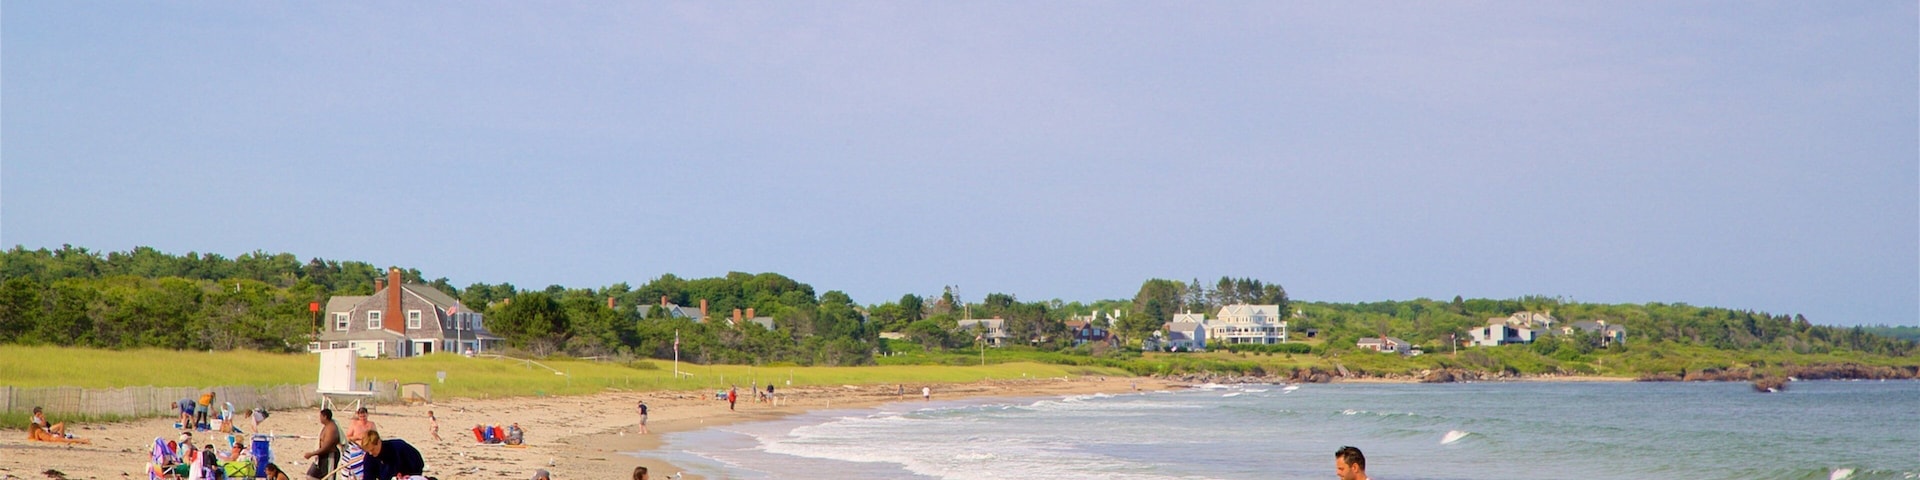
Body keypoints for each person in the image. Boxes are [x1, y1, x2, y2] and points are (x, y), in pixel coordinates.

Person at [359, 430, 426, 480]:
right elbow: (368, 477)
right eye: (368, 451)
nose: (370, 453)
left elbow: (418, 463)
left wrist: (408, 476)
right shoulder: (369, 457)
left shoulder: (399, 447)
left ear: (379, 442)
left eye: (372, 449)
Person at [301, 408, 340, 480]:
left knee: (329, 478)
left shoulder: (331, 429)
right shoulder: (326, 426)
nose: (320, 419)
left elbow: (327, 447)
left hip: (329, 456)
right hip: (321, 456)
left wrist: (312, 454)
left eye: (321, 416)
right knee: (310, 476)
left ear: (325, 417)